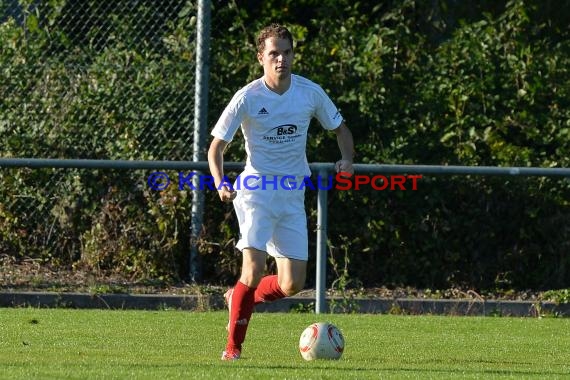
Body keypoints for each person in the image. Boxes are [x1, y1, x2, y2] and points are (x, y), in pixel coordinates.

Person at [207, 23, 354, 361]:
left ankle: (238, 297)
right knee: (254, 267)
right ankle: (233, 349)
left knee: (292, 284)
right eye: (274, 53)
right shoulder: (247, 97)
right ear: (261, 57)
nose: (281, 60)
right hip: (256, 191)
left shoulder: (309, 93)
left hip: (291, 195)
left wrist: (347, 158)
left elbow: (341, 130)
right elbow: (216, 148)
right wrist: (219, 182)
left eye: (286, 53)